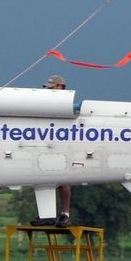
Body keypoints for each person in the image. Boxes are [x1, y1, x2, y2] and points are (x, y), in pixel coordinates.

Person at [44, 74, 73, 226]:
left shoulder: (67, 103)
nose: (50, 90)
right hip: (48, 142)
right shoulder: (45, 102)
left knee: (63, 179)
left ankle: (65, 214)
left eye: (53, 87)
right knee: (41, 176)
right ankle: (46, 215)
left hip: (63, 142)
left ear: (60, 87)